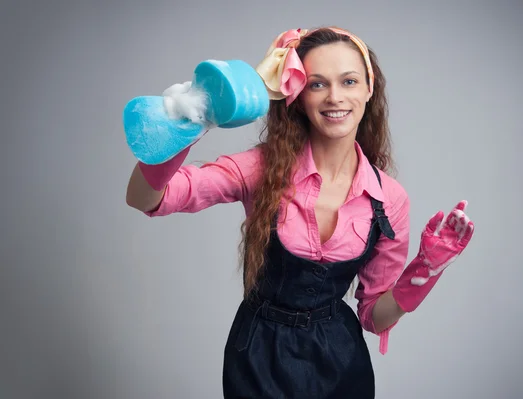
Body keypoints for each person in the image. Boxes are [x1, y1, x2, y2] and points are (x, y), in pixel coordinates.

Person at [125, 26, 474, 399]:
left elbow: (373, 316)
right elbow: (147, 198)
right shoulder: (262, 169)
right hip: (258, 358)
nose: (335, 97)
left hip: (340, 362)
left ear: (369, 90)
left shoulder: (389, 199)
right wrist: (190, 121)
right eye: (317, 84)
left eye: (350, 81)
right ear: (299, 96)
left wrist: (425, 270)